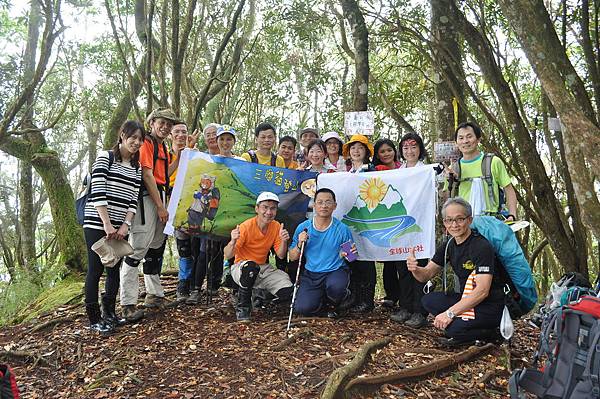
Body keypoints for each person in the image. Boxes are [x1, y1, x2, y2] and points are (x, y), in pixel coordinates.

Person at [408, 197, 506, 346]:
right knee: (428, 301)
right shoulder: (449, 245)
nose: (454, 225)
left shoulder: (481, 246)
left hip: (489, 304)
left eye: (460, 219)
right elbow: (426, 274)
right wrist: (415, 269)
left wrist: (449, 314)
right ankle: (465, 323)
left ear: (469, 220)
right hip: (466, 299)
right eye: (449, 220)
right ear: (444, 223)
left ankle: (494, 332)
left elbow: (482, 291)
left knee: (452, 330)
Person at [120, 108, 182, 320]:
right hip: (147, 200)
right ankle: (127, 302)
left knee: (155, 249)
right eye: (161, 123)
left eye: (169, 124)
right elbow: (147, 175)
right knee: (136, 250)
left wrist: (181, 155)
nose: (165, 127)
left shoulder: (162, 146)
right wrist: (160, 206)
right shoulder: (145, 142)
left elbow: (164, 174)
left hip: (160, 197)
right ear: (152, 122)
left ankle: (154, 294)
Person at [83, 120, 144, 334]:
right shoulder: (105, 157)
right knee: (95, 269)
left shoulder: (136, 167)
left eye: (140, 139)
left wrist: (125, 225)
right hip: (96, 222)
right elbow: (97, 191)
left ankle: (110, 313)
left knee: (114, 269)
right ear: (122, 137)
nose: (136, 142)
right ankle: (94, 319)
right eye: (132, 137)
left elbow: (133, 199)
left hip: (119, 227)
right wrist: (106, 223)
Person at [376, 134, 430, 328]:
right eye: (405, 148)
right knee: (403, 269)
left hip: (420, 228)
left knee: (418, 268)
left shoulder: (426, 170)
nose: (410, 151)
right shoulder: (397, 172)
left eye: (413, 147)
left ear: (420, 148)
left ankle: (420, 311)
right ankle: (406, 306)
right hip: (399, 227)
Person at [223, 192, 293, 322]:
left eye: (272, 208)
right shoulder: (246, 227)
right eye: (265, 207)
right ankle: (243, 308)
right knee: (250, 268)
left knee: (287, 290)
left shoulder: (276, 226)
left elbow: (281, 254)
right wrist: (232, 241)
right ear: (257, 209)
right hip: (242, 267)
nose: (268, 212)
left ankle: (261, 296)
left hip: (263, 268)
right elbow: (228, 255)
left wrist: (283, 241)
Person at [290, 188, 354, 317]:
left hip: (335, 271)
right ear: (314, 205)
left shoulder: (342, 229)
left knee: (336, 288)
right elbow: (292, 257)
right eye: (320, 202)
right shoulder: (303, 228)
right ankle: (322, 304)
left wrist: (347, 254)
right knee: (302, 308)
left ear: (334, 206)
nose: (324, 206)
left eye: (328, 202)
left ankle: (340, 298)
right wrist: (299, 244)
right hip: (311, 273)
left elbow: (352, 257)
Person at [448, 121, 517, 219]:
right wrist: (449, 179)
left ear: (478, 139)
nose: (465, 141)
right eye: (461, 138)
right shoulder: (453, 168)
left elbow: (509, 189)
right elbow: (446, 197)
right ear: (456, 142)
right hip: (463, 224)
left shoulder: (493, 162)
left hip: (492, 221)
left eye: (469, 136)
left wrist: (512, 215)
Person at [339, 134, 377, 313]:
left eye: (360, 148)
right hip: (348, 223)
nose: (356, 151)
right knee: (351, 258)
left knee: (366, 260)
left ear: (366, 151)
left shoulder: (371, 170)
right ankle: (354, 296)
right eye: (353, 148)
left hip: (367, 223)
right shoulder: (345, 174)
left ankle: (367, 300)